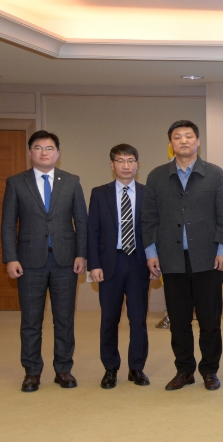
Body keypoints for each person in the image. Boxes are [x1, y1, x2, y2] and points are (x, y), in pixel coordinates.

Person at [142, 120, 223, 391]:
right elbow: (149, 218)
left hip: (208, 258)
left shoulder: (215, 174)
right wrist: (151, 252)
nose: (183, 141)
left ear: (198, 141)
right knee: (179, 320)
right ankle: (184, 370)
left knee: (209, 320)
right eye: (177, 137)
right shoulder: (157, 176)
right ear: (170, 143)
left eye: (189, 136)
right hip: (171, 258)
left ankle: (209, 370)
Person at [1, 130, 88, 392]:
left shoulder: (71, 181)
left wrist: (81, 253)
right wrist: (10, 258)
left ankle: (63, 369)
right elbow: (8, 225)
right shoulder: (16, 183)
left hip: (65, 261)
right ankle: (32, 372)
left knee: (64, 319)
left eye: (49, 148)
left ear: (57, 153)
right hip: (28, 262)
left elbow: (81, 221)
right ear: (30, 152)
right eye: (38, 148)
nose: (44, 152)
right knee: (31, 321)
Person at [87, 144, 154, 389]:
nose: (126, 165)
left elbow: (154, 230)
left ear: (137, 164)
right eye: (120, 161)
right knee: (109, 319)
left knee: (138, 319)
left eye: (131, 160)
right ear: (112, 164)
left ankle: (136, 368)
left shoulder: (148, 193)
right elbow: (92, 231)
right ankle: (110, 368)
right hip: (109, 264)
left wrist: (154, 258)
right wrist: (93, 264)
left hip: (138, 262)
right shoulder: (99, 193)